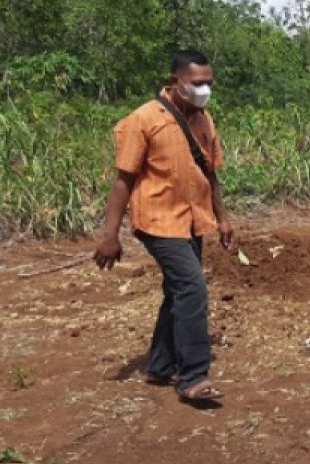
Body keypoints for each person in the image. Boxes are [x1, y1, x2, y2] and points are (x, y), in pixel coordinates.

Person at [93, 50, 234, 402]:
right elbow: (123, 180)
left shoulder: (204, 119)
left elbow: (210, 172)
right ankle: (193, 377)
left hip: (192, 218)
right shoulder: (143, 119)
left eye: (208, 83)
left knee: (177, 291)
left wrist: (223, 218)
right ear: (176, 82)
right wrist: (110, 234)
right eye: (197, 82)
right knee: (192, 288)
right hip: (157, 219)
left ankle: (159, 365)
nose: (204, 89)